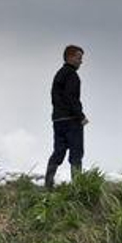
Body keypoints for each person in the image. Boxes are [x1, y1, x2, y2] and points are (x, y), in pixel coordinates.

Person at [45, 45, 87, 189]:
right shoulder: (72, 76)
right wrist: (80, 116)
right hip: (71, 120)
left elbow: (55, 98)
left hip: (58, 120)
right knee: (76, 153)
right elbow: (71, 98)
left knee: (58, 151)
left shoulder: (59, 74)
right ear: (69, 57)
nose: (81, 62)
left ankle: (48, 185)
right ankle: (78, 188)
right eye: (79, 58)